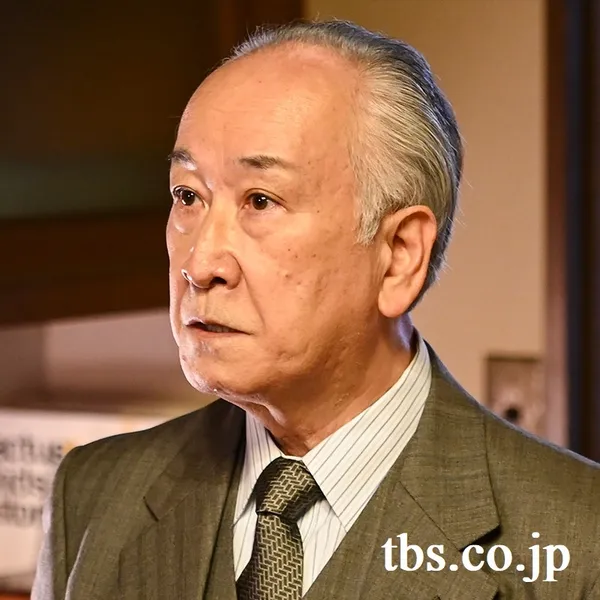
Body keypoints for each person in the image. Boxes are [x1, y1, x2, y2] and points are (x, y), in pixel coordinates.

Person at [33, 19, 599, 600]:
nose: (200, 263)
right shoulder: (92, 495)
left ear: (399, 256)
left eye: (261, 201)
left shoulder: (580, 543)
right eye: (188, 195)